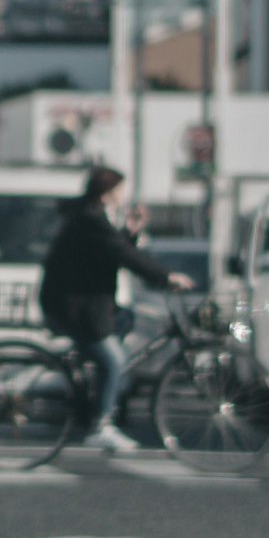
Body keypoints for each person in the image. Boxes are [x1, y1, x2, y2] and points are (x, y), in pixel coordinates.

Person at [42, 164, 187, 450]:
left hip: (85, 304)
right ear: (107, 194)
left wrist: (130, 231)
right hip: (75, 307)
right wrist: (166, 277)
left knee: (125, 320)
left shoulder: (92, 219)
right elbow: (123, 255)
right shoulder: (91, 221)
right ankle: (101, 425)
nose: (124, 195)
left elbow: (116, 249)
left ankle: (96, 387)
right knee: (113, 362)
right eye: (120, 190)